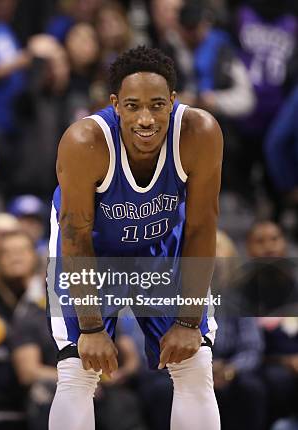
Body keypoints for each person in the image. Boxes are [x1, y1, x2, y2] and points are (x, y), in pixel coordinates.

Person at [47, 46, 222, 430]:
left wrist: (190, 323)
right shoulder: (84, 141)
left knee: (194, 364)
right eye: (133, 106)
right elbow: (75, 239)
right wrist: (91, 328)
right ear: (115, 104)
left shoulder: (199, 132)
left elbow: (201, 227)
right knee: (78, 370)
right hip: (92, 253)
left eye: (157, 105)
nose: (146, 118)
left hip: (160, 248)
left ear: (173, 102)